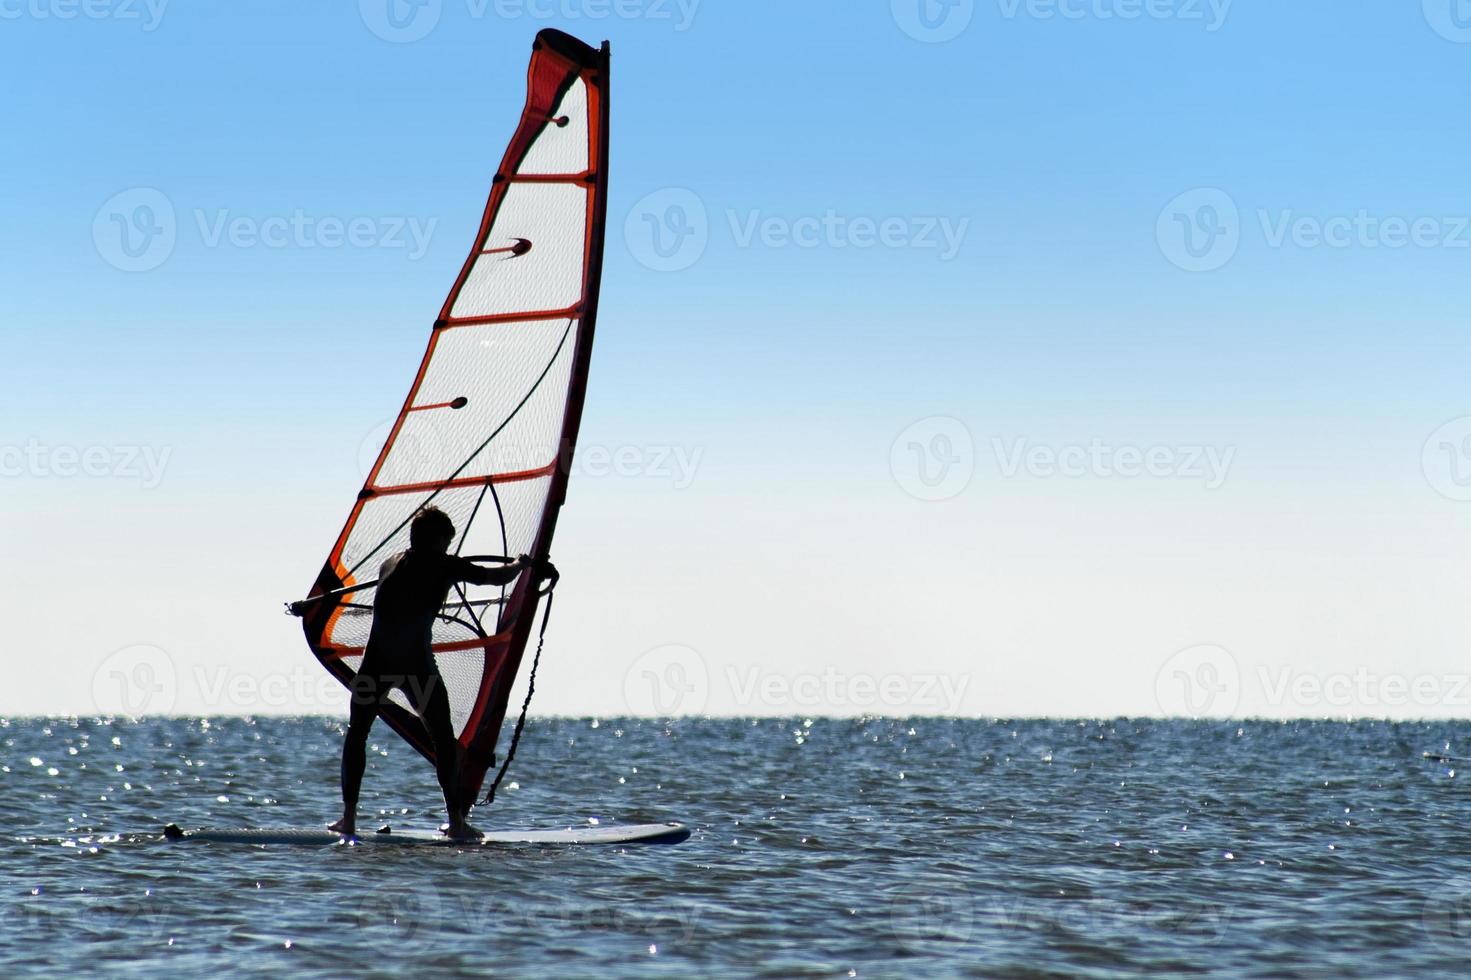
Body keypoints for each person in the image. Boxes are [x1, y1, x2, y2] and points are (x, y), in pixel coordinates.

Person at [328, 506, 531, 840]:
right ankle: (455, 823)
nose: (448, 549)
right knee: (443, 740)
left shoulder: (389, 562)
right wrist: (520, 565)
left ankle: (347, 819)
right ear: (437, 540)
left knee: (357, 734)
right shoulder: (443, 564)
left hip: (374, 665)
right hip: (415, 669)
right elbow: (495, 577)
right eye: (446, 543)